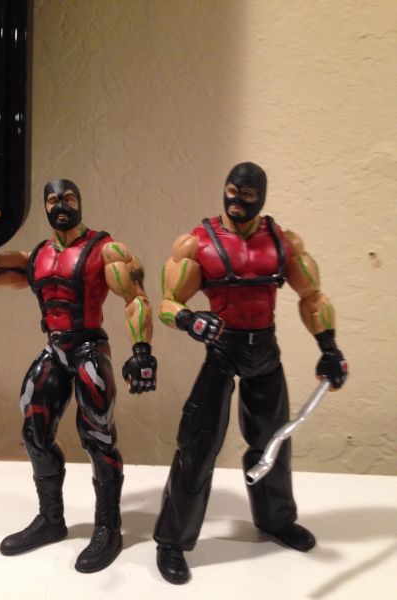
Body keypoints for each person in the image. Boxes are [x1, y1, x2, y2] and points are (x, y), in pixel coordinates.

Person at [153, 162, 347, 584]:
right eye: (232, 191)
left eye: (247, 194)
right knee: (198, 444)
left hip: (265, 350)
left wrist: (329, 348)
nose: (237, 201)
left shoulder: (282, 243)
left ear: (262, 196)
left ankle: (276, 519)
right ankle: (172, 540)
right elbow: (167, 303)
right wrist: (189, 320)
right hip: (223, 350)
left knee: (272, 441)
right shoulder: (197, 244)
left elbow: (312, 297)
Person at [0, 179, 157, 573]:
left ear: (79, 202)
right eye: (53, 200)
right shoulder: (35, 257)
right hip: (55, 349)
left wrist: (141, 352)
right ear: (45, 206)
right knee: (33, 433)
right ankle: (51, 519)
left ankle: (108, 527)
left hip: (89, 348)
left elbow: (136, 298)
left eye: (68, 198)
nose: (61, 205)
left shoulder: (105, 249)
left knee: (98, 435)